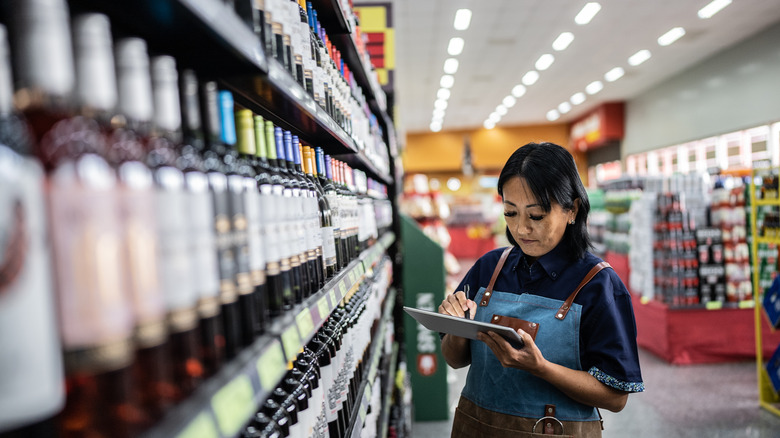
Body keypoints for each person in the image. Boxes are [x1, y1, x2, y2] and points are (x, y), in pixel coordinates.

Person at [439, 142, 644, 438]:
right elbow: (455, 359)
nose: (521, 229)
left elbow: (615, 397)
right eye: (510, 213)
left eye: (536, 216)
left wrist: (541, 368)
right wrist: (456, 324)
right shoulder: (488, 269)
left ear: (571, 209)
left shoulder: (598, 284)